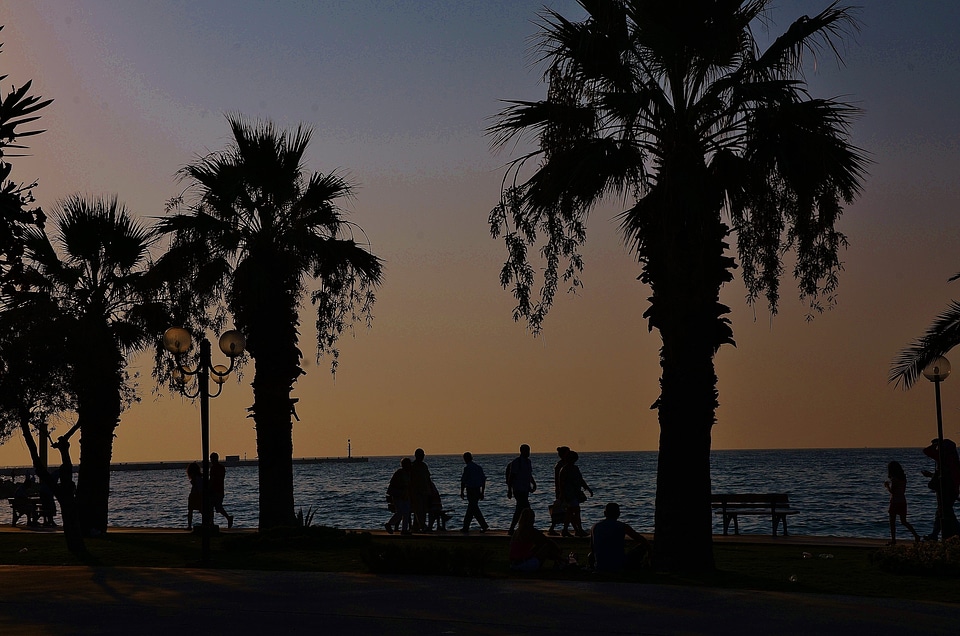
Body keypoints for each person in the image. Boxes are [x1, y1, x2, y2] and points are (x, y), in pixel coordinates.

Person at [589, 502, 650, 572]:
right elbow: (641, 540)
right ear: (618, 514)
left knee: (591, 554)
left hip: (600, 566)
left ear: (605, 513)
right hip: (619, 565)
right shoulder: (623, 526)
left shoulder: (595, 527)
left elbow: (592, 547)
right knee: (642, 547)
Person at [921, 438, 960, 540]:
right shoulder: (953, 461)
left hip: (946, 491)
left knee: (946, 513)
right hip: (950, 490)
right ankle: (934, 534)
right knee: (941, 512)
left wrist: (936, 444)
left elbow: (927, 451)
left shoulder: (944, 459)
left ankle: (956, 533)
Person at [884, 460, 920, 545]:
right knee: (904, 521)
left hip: (895, 502)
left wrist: (887, 486)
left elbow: (892, 491)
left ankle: (893, 540)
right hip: (902, 501)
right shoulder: (903, 478)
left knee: (892, 522)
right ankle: (916, 535)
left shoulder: (894, 479)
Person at [559, 451, 592, 537]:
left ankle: (567, 530)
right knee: (575, 511)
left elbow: (580, 480)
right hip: (569, 494)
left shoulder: (575, 468)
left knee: (570, 513)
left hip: (574, 493)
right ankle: (578, 530)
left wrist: (587, 488)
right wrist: (562, 495)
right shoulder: (565, 469)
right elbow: (561, 483)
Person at [506, 443, 537, 535]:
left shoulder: (528, 462)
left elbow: (528, 475)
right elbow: (511, 476)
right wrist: (509, 490)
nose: (528, 453)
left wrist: (533, 484)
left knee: (520, 509)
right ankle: (524, 527)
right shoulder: (516, 462)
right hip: (518, 489)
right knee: (525, 508)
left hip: (525, 489)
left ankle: (517, 528)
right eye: (526, 451)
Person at [460, 452, 489, 533]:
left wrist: (462, 491)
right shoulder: (478, 468)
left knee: (473, 508)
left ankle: (482, 525)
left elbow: (463, 481)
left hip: (471, 490)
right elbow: (483, 480)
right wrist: (482, 491)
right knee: (472, 508)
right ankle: (466, 526)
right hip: (477, 489)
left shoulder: (467, 468)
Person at [385, 457, 413, 534]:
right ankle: (389, 524)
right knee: (400, 512)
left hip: (405, 495)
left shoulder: (407, 473)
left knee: (406, 513)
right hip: (398, 495)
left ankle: (404, 530)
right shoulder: (400, 473)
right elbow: (396, 485)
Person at [548, 446, 570, 536]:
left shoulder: (563, 464)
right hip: (562, 491)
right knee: (564, 510)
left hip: (565, 490)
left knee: (565, 510)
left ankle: (563, 528)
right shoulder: (560, 465)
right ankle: (559, 529)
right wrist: (560, 492)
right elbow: (559, 481)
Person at [209, 453, 235, 529]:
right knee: (218, 507)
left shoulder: (213, 468)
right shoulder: (222, 467)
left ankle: (212, 522)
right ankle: (227, 518)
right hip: (220, 490)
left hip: (214, 490)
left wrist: (209, 487)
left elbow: (212, 479)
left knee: (212, 507)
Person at [410, 448, 431, 532]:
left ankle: (417, 525)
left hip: (423, 491)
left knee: (422, 510)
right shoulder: (414, 466)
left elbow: (428, 478)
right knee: (419, 510)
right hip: (416, 492)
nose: (422, 457)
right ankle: (421, 525)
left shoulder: (423, 466)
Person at [186, 461, 202, 530]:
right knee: (200, 510)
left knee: (190, 511)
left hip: (195, 495)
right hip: (196, 494)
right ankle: (189, 525)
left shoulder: (196, 478)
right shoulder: (199, 478)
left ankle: (189, 525)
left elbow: (198, 487)